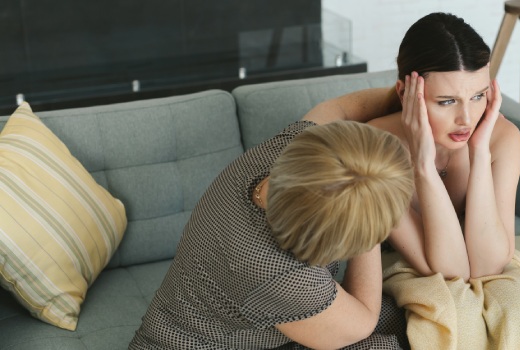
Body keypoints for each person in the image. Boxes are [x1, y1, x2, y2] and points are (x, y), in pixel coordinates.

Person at [312, 12, 520, 349]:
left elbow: (492, 263)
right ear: (406, 93)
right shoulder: (371, 147)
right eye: (447, 101)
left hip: (475, 252)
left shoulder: (499, 138)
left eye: (478, 96)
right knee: (457, 311)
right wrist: (422, 165)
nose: (466, 118)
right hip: (407, 262)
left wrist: (479, 155)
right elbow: (451, 273)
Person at [129, 120, 414, 349]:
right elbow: (362, 321)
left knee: (410, 315)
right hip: (188, 344)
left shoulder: (290, 152)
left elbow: (338, 108)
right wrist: (373, 224)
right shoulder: (279, 273)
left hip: (225, 324)